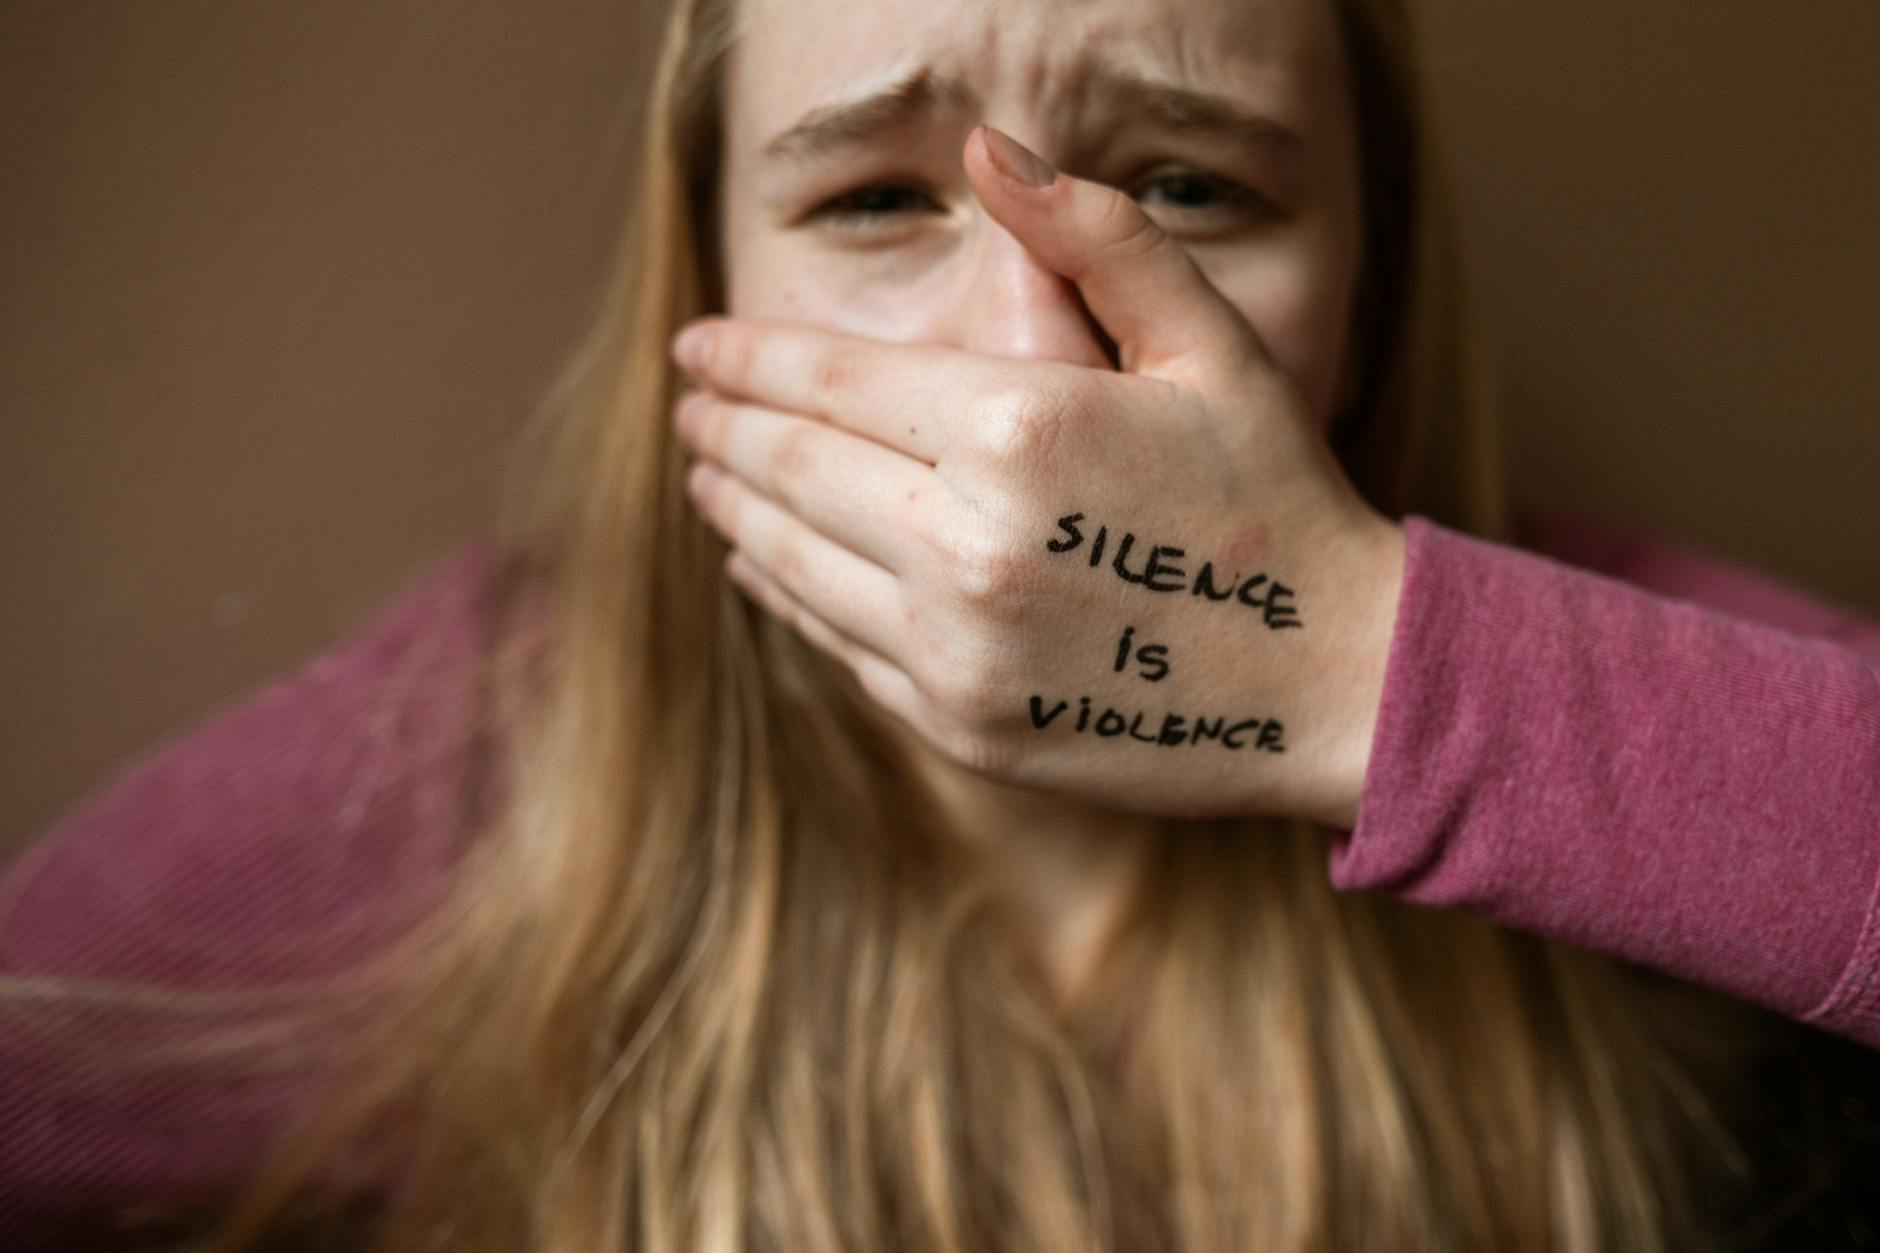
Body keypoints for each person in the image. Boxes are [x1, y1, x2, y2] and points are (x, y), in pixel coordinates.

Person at [3, 0, 1878, 1247]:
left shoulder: (1623, 672)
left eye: (1187, 187)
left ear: (1375, 278)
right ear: (706, 273)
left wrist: (1371, 669)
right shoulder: (474, 777)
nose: (1028, 370)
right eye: (877, 197)